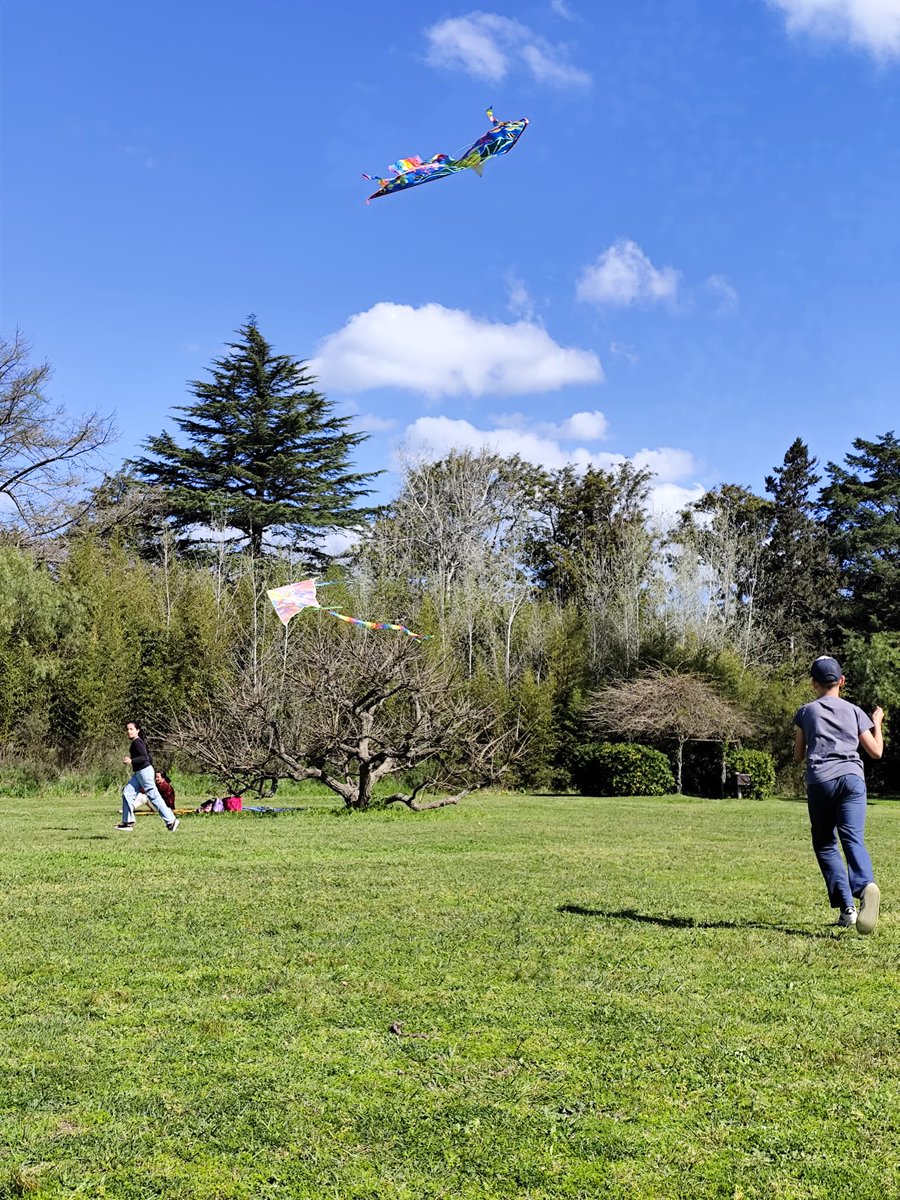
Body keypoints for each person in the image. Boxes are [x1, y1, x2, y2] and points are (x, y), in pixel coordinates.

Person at [794, 656, 883, 933]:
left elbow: (798, 755)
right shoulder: (855, 711)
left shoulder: (806, 712)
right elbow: (876, 751)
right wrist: (876, 721)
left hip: (822, 780)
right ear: (841, 681)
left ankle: (847, 909)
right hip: (853, 779)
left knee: (824, 843)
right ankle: (866, 884)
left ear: (813, 684)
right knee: (852, 838)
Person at [116, 722, 180, 832]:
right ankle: (128, 823)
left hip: (144, 772)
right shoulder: (138, 742)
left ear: (138, 730)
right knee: (127, 793)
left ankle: (171, 821)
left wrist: (131, 761)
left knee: (153, 796)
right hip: (140, 773)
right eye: (127, 729)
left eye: (131, 729)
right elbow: (149, 758)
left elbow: (144, 757)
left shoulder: (137, 742)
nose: (129, 731)